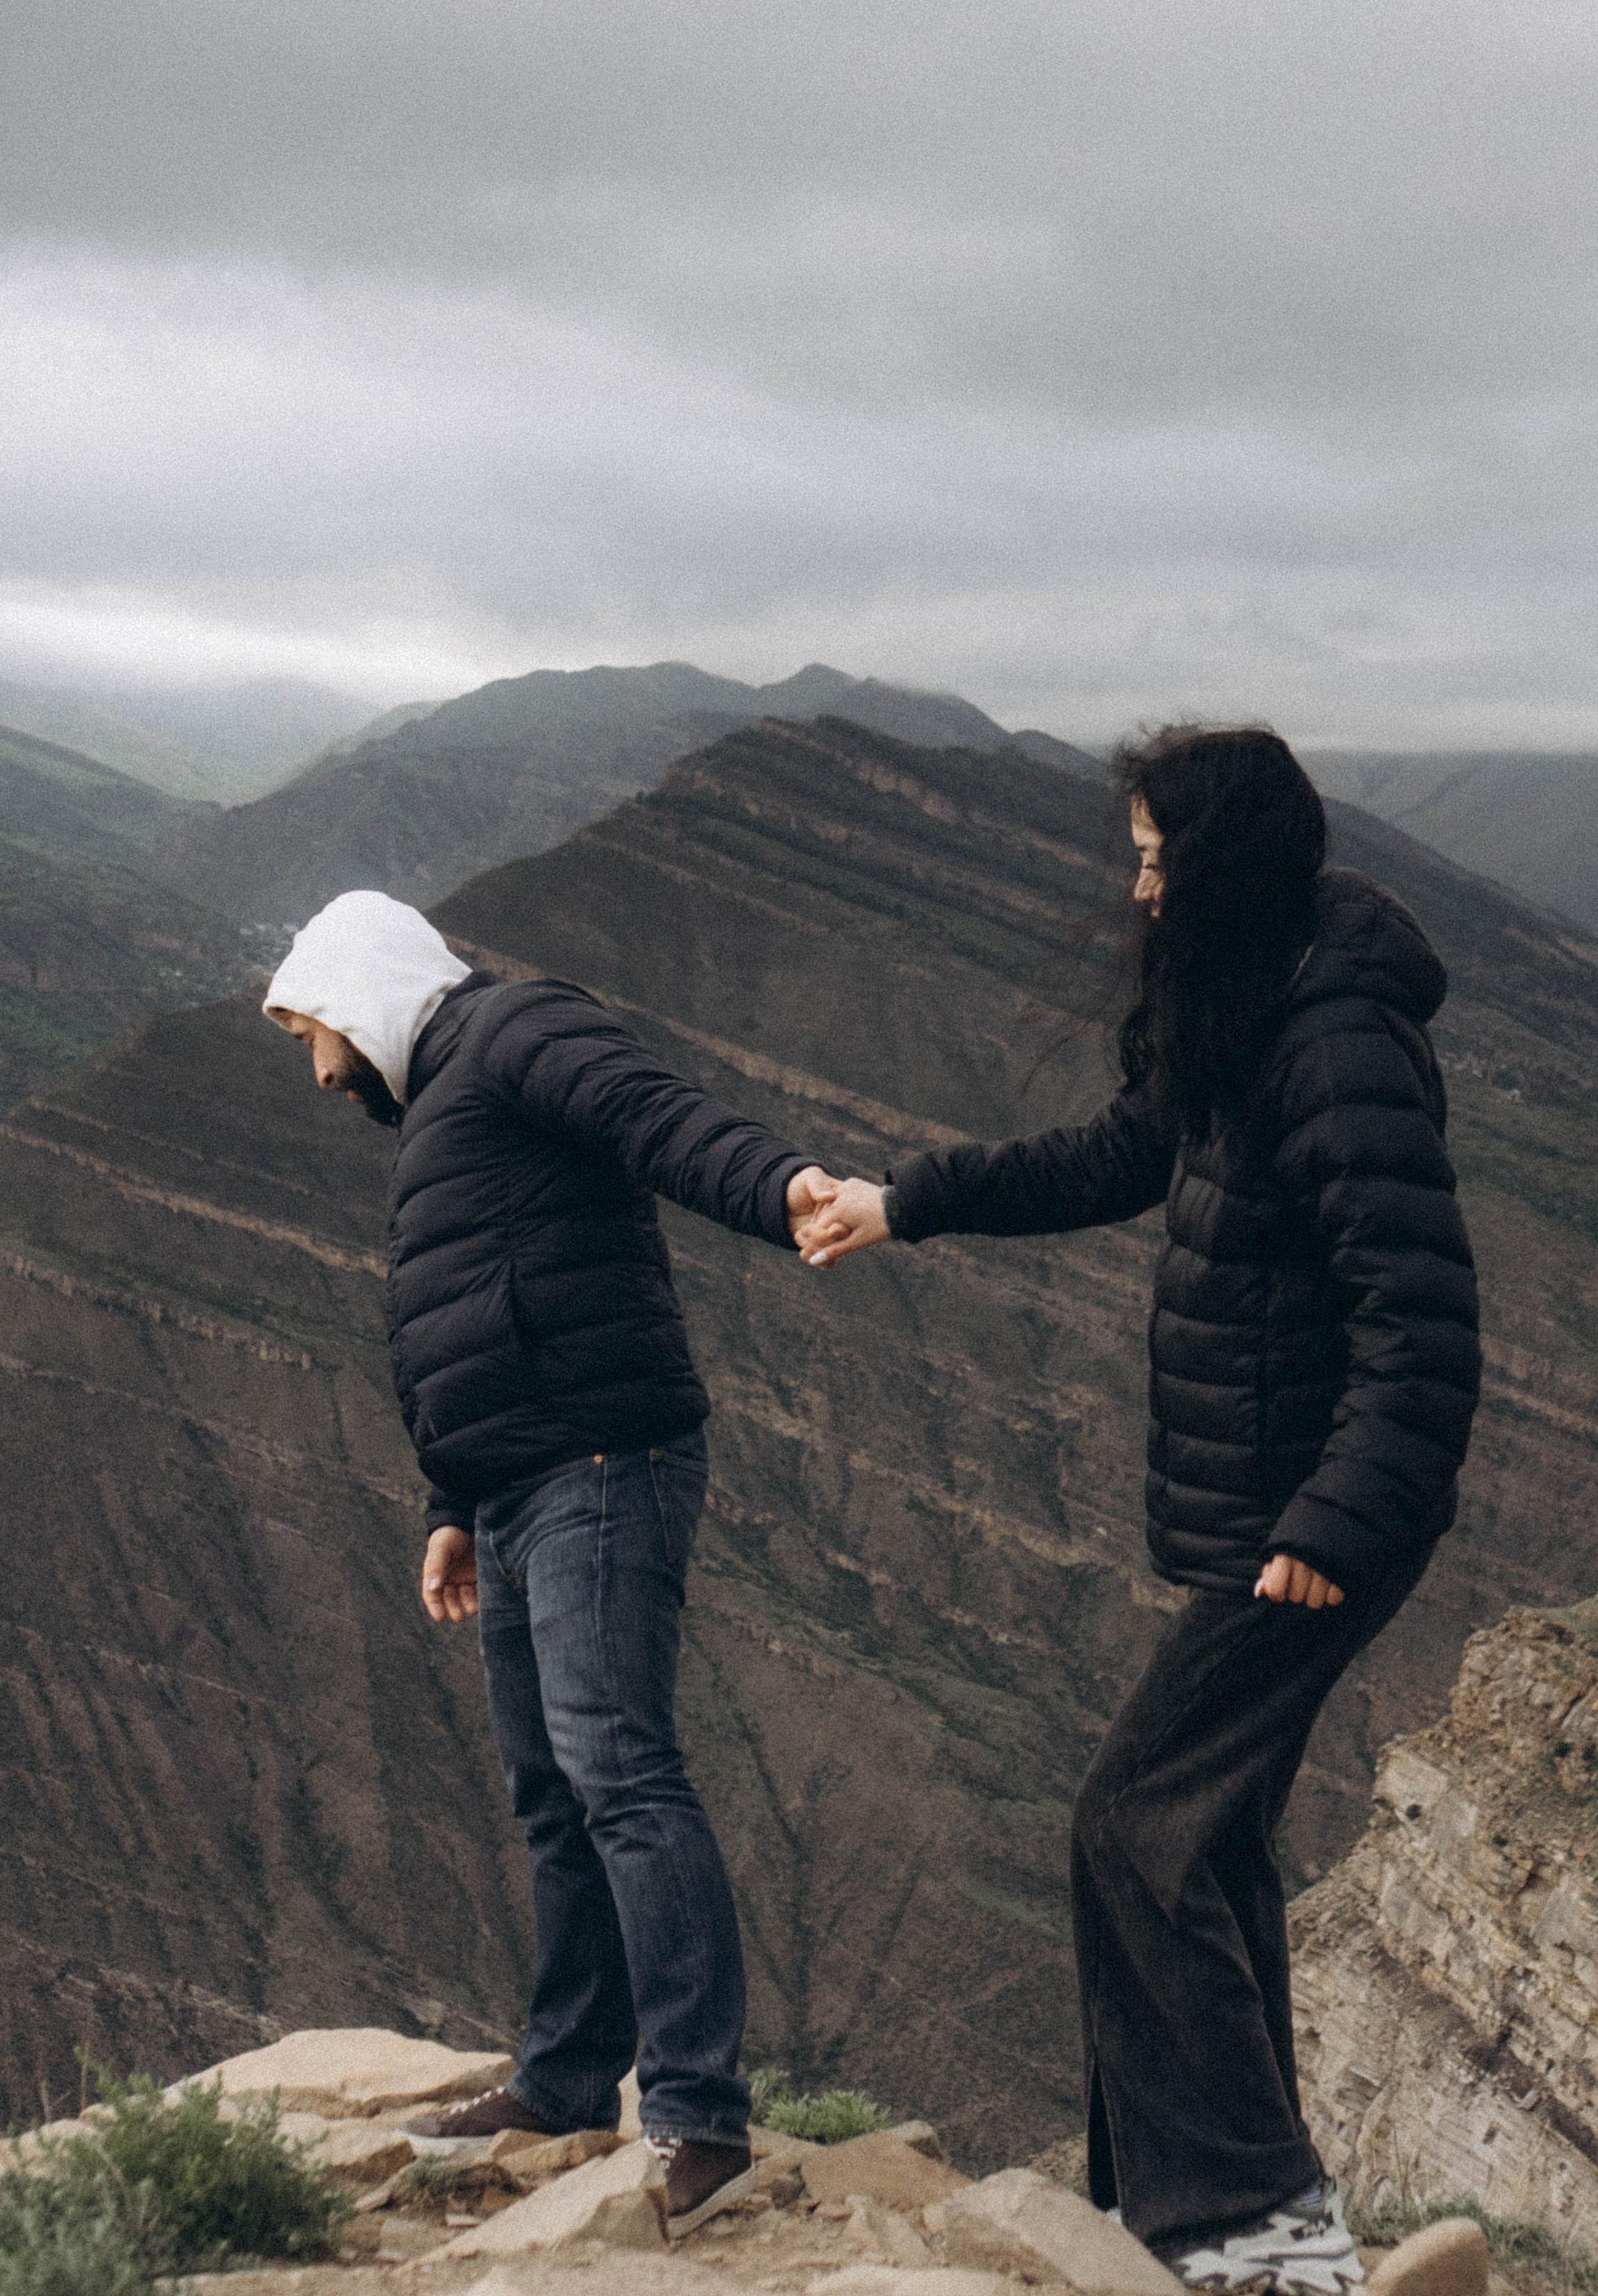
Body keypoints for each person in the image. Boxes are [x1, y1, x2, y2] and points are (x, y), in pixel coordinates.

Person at [798, 726, 1480, 2295]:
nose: (1138, 884)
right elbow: (1120, 1151)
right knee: (1207, 1835)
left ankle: (1249, 2227)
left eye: (1158, 858)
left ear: (1220, 866)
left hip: (1318, 1520)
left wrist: (1328, 1521)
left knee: (1132, 1824)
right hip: (1271, 1508)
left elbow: (1421, 1327)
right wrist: (906, 1203)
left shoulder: (1335, 1042)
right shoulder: (1245, 1008)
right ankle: (1224, 2214)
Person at [264, 890, 836, 2235]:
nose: (315, 1067)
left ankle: (697, 2114)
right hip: (519, 1490)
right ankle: (568, 2080)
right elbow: (467, 1324)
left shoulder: (515, 1031)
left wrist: (781, 1186)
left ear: (357, 994)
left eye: (312, 1032)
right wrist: (448, 1503)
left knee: (624, 1777)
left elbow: (660, 1116)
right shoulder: (447, 1105)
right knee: (551, 1795)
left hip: (601, 1469)